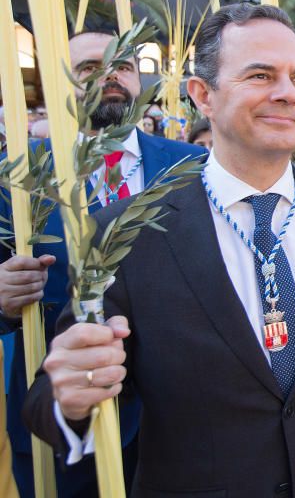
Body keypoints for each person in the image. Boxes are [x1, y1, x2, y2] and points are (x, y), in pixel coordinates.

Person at [22, 3, 295, 496]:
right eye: (260, 75)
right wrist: (70, 399)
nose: (287, 93)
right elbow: (58, 391)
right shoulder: (123, 231)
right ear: (203, 96)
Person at [0, 29, 205, 497]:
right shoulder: (20, 174)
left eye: (124, 66)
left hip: (178, 419)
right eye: (91, 68)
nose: (111, 76)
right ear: (61, 82)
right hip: (63, 418)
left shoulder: (192, 165)